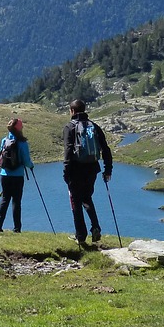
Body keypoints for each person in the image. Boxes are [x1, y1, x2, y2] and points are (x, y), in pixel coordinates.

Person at [62, 99, 112, 246]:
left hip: (75, 170)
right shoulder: (94, 126)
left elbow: (68, 151)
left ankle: (80, 236)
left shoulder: (69, 127)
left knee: (75, 202)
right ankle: (95, 227)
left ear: (72, 111)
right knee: (87, 198)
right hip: (92, 169)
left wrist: (66, 172)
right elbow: (106, 149)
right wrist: (108, 169)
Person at [0, 117, 33, 233]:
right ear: (19, 128)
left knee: (5, 199)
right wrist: (31, 166)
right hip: (17, 176)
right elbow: (26, 160)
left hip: (4, 175)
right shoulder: (22, 142)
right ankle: (17, 228)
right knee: (16, 201)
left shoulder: (4, 140)